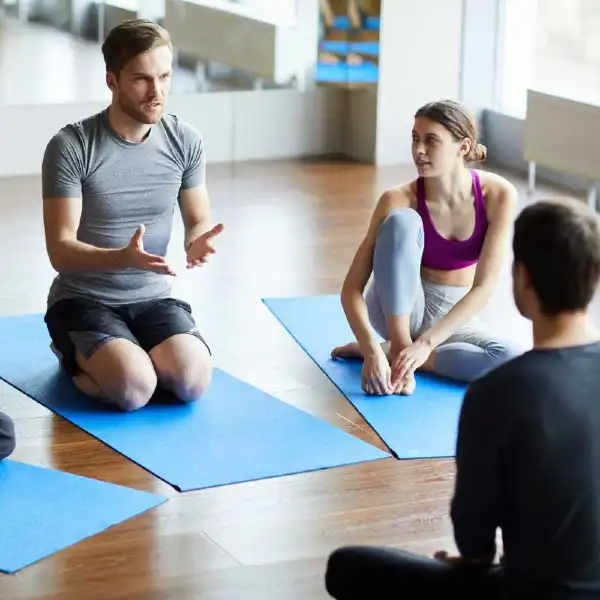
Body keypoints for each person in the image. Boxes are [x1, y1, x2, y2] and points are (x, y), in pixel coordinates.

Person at [325, 197, 600, 599]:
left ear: (521, 277)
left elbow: (475, 543)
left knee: (347, 567)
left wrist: (483, 561)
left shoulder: (499, 391)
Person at [41, 19, 223, 411]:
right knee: (135, 390)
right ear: (112, 80)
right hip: (83, 298)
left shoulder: (185, 140)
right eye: (141, 79)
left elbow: (197, 217)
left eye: (165, 76)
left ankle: (129, 349)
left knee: (193, 382)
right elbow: (60, 250)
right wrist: (119, 258)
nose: (156, 92)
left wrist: (198, 239)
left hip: (151, 295)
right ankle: (71, 350)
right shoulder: (71, 146)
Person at [331, 99, 521, 396]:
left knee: (511, 361)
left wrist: (426, 345)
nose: (418, 150)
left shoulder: (498, 194)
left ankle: (399, 355)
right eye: (415, 139)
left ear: (463, 146)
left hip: (455, 316)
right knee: (402, 223)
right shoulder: (398, 198)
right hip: (400, 308)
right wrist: (369, 349)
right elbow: (351, 289)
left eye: (431, 140)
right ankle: (397, 343)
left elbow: (484, 288)